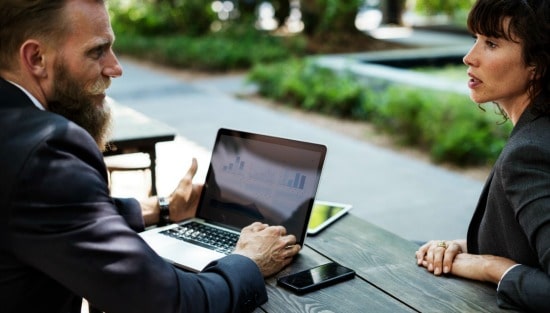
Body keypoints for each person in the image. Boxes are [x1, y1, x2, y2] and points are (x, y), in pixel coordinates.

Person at [0, 1, 301, 312]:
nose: (115, 67)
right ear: (36, 58)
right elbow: (170, 303)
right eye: (97, 51)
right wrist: (248, 260)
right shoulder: (46, 151)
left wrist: (162, 208)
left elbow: (51, 214)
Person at [415, 0, 550, 312]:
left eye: (491, 43)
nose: (469, 57)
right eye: (474, 39)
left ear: (537, 65)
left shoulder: (529, 154)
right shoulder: (537, 133)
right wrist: (462, 249)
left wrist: (491, 267)